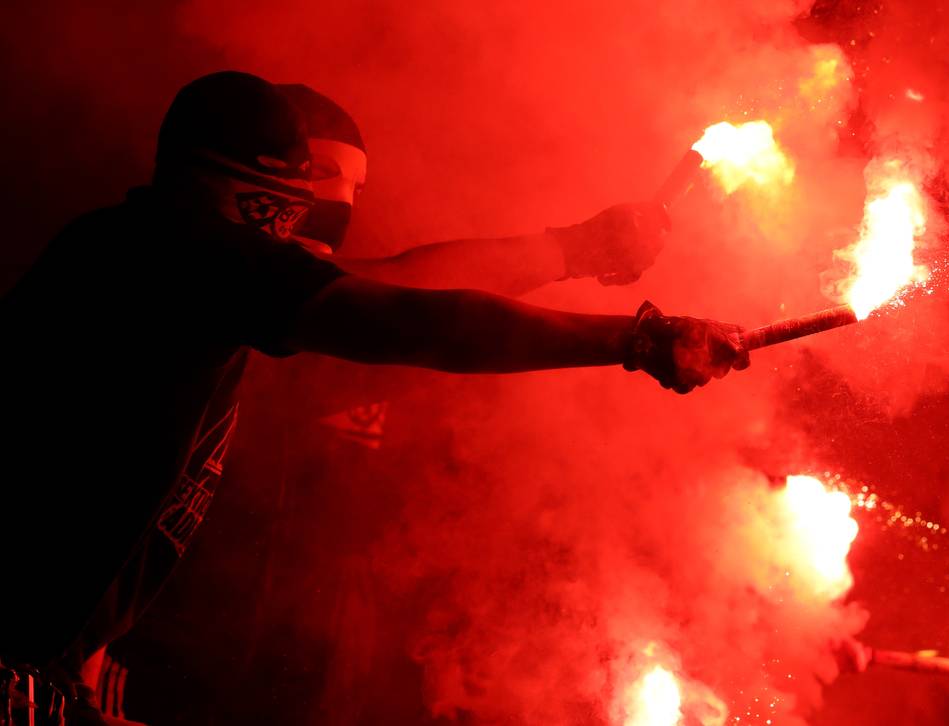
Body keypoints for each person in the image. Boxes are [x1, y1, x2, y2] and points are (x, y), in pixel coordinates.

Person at [0, 70, 747, 725]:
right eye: (312, 180)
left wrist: (576, 249)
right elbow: (419, 319)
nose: (330, 210)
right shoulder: (188, 255)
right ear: (261, 192)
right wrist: (639, 341)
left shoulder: (154, 258)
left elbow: (399, 283)